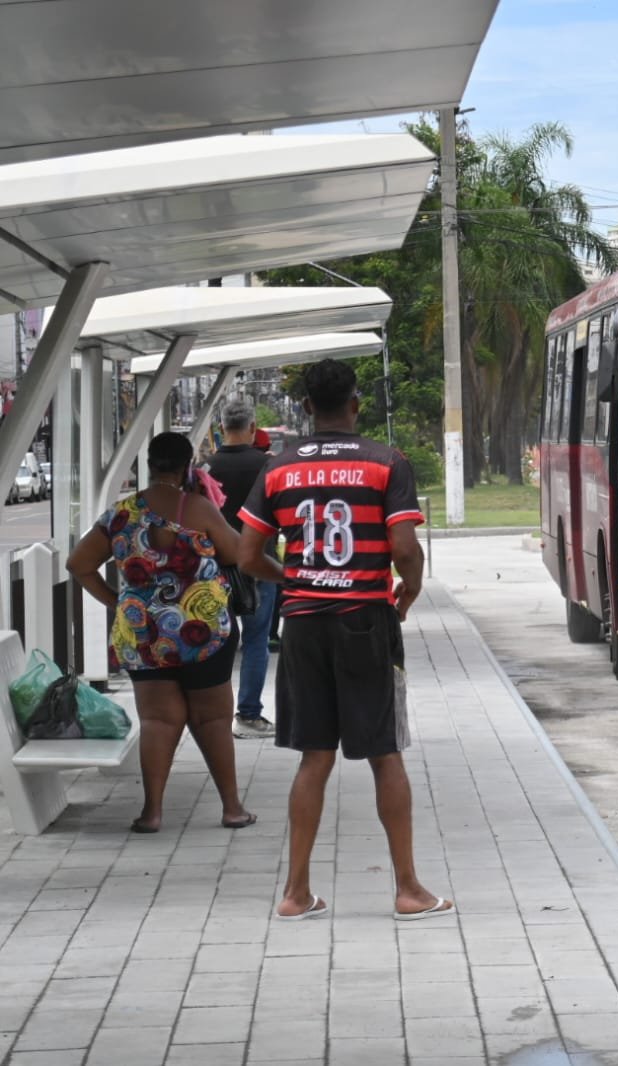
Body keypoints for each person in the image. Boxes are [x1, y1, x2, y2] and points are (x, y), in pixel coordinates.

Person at [238, 359, 451, 922]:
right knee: (384, 753)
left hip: (303, 623)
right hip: (364, 619)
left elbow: (246, 555)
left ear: (305, 408)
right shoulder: (386, 462)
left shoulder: (277, 468)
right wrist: (409, 590)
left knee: (315, 756)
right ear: (357, 404)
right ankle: (407, 890)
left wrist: (295, 579)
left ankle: (295, 892)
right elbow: (404, 548)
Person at [66, 432, 276, 833]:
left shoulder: (121, 513)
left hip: (144, 636)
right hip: (204, 633)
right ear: (185, 467)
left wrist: (118, 601)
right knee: (213, 719)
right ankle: (232, 809)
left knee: (159, 722)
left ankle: (152, 813)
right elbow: (237, 555)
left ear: (150, 464)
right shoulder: (198, 508)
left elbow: (79, 564)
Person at [203, 397, 277, 738]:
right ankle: (247, 714)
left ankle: (211, 717)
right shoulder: (270, 466)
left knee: (214, 641)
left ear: (220, 430)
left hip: (214, 569)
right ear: (252, 428)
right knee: (256, 640)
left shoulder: (205, 470)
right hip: (261, 564)